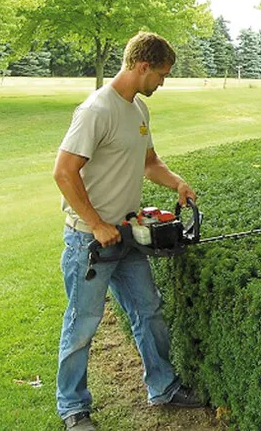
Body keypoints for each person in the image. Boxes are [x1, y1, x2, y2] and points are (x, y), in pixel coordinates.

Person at [52, 32, 202, 431]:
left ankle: (163, 387)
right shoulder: (96, 110)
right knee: (82, 323)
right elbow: (64, 172)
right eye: (162, 74)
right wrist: (96, 223)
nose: (163, 82)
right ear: (142, 66)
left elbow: (149, 162)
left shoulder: (138, 109)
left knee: (148, 311)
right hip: (90, 240)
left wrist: (177, 182)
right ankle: (73, 407)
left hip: (127, 233)